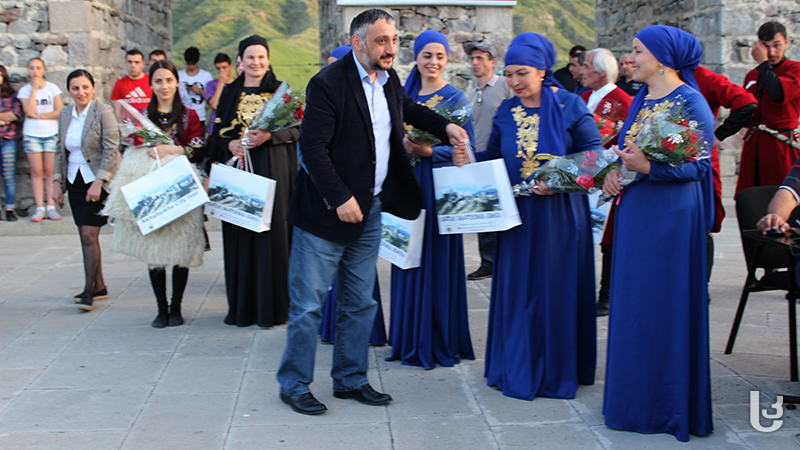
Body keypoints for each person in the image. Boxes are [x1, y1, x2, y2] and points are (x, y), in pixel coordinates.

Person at [277, 9, 470, 415]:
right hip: (324, 216)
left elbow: (410, 109)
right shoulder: (327, 84)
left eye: (394, 40)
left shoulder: (389, 80)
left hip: (371, 209)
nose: (390, 48)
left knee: (359, 302)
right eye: (381, 40)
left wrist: (446, 128)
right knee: (309, 305)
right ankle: (293, 384)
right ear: (357, 43)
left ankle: (349, 379)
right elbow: (311, 149)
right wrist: (340, 198)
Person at [452, 32, 599, 401]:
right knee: (520, 290)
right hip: (518, 215)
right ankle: (518, 363)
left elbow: (595, 155)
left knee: (555, 287)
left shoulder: (569, 105)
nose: (514, 82)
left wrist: (559, 179)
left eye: (522, 74)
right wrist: (468, 159)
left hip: (562, 216)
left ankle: (556, 368)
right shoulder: (506, 110)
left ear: (542, 70)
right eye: (510, 74)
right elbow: (495, 159)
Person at [601, 25, 715, 442]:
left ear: (663, 59)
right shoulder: (642, 99)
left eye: (637, 51)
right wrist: (614, 172)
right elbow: (626, 147)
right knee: (634, 306)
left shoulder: (692, 102)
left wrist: (651, 168)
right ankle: (633, 401)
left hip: (670, 219)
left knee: (663, 306)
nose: (630, 59)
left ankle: (666, 406)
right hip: (636, 213)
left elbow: (700, 166)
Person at [386, 30, 475, 369]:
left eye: (439, 56)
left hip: (438, 189)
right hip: (406, 186)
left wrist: (428, 151)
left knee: (436, 259)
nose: (433, 62)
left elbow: (468, 152)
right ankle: (409, 335)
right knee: (406, 257)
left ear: (447, 59)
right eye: (427, 55)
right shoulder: (402, 95)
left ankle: (439, 337)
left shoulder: (455, 99)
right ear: (417, 58)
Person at [210, 35, 298, 329]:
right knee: (241, 235)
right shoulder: (229, 93)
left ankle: (276, 308)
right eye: (250, 57)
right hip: (239, 174)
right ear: (240, 61)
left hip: (274, 170)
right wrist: (230, 145)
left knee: (273, 237)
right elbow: (216, 134)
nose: (256, 62)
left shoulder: (282, 93)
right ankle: (243, 308)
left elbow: (300, 128)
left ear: (268, 59)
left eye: (261, 57)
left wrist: (271, 135)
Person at [52, 70, 121, 311]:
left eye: (85, 87)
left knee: (89, 236)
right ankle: (99, 285)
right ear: (69, 90)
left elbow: (111, 149)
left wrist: (99, 182)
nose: (80, 92)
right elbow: (60, 151)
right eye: (75, 88)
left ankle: (88, 290)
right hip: (75, 181)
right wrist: (56, 183)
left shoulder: (103, 112)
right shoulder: (64, 114)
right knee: (85, 236)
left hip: (97, 180)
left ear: (92, 87)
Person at [578, 48, 632, 316]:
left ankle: (608, 294)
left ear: (600, 72)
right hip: (583, 174)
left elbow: (620, 142)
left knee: (608, 237)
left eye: (585, 66)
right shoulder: (585, 97)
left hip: (606, 178)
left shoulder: (621, 100)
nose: (580, 71)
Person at [694, 66, 757, 281]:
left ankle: (700, 285)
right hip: (666, 164)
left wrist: (717, 135)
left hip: (698, 161)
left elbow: (746, 103)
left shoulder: (704, 78)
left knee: (702, 223)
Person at [463, 41, 513, 281]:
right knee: (484, 210)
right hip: (478, 157)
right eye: (472, 59)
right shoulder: (472, 92)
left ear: (493, 62)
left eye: (480, 58)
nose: (475, 63)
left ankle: (503, 259)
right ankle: (488, 261)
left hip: (500, 157)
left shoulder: (504, 85)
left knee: (503, 211)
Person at [736, 21, 800, 196]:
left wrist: (763, 63)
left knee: (782, 196)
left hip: (781, 146)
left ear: (787, 42)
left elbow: (778, 93)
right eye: (766, 46)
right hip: (754, 145)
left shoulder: (795, 70)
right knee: (750, 198)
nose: (772, 52)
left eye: (777, 45)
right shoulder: (752, 75)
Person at [17, 57, 64, 222]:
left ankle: (51, 207)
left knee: (50, 172)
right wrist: (34, 91)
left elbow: (59, 111)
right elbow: (29, 112)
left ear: (44, 70)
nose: (35, 71)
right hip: (32, 135)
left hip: (51, 134)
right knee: (36, 172)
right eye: (31, 68)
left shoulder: (52, 88)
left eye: (38, 68)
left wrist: (40, 116)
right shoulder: (25, 90)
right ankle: (39, 208)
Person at [0, 65, 22, 221]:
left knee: (9, 176)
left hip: (8, 139)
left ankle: (9, 208)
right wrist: (2, 119)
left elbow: (16, 114)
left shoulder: (12, 95)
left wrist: (5, 119)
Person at [178, 47, 214, 131]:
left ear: (198, 61)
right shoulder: (179, 75)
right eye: (188, 64)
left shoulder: (206, 76)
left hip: (200, 117)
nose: (191, 67)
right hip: (181, 117)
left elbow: (211, 100)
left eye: (193, 64)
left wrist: (200, 91)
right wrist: (183, 89)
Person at [110, 49, 151, 115]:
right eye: (130, 62)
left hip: (150, 122)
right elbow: (117, 111)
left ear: (143, 64)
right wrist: (121, 124)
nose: (133, 65)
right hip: (129, 124)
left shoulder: (152, 81)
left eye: (137, 62)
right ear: (125, 63)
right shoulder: (119, 84)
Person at [205, 53, 233, 138]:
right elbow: (214, 104)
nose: (221, 71)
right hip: (214, 128)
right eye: (218, 68)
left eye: (224, 68)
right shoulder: (211, 85)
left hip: (231, 127)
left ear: (230, 66)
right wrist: (221, 84)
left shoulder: (237, 85)